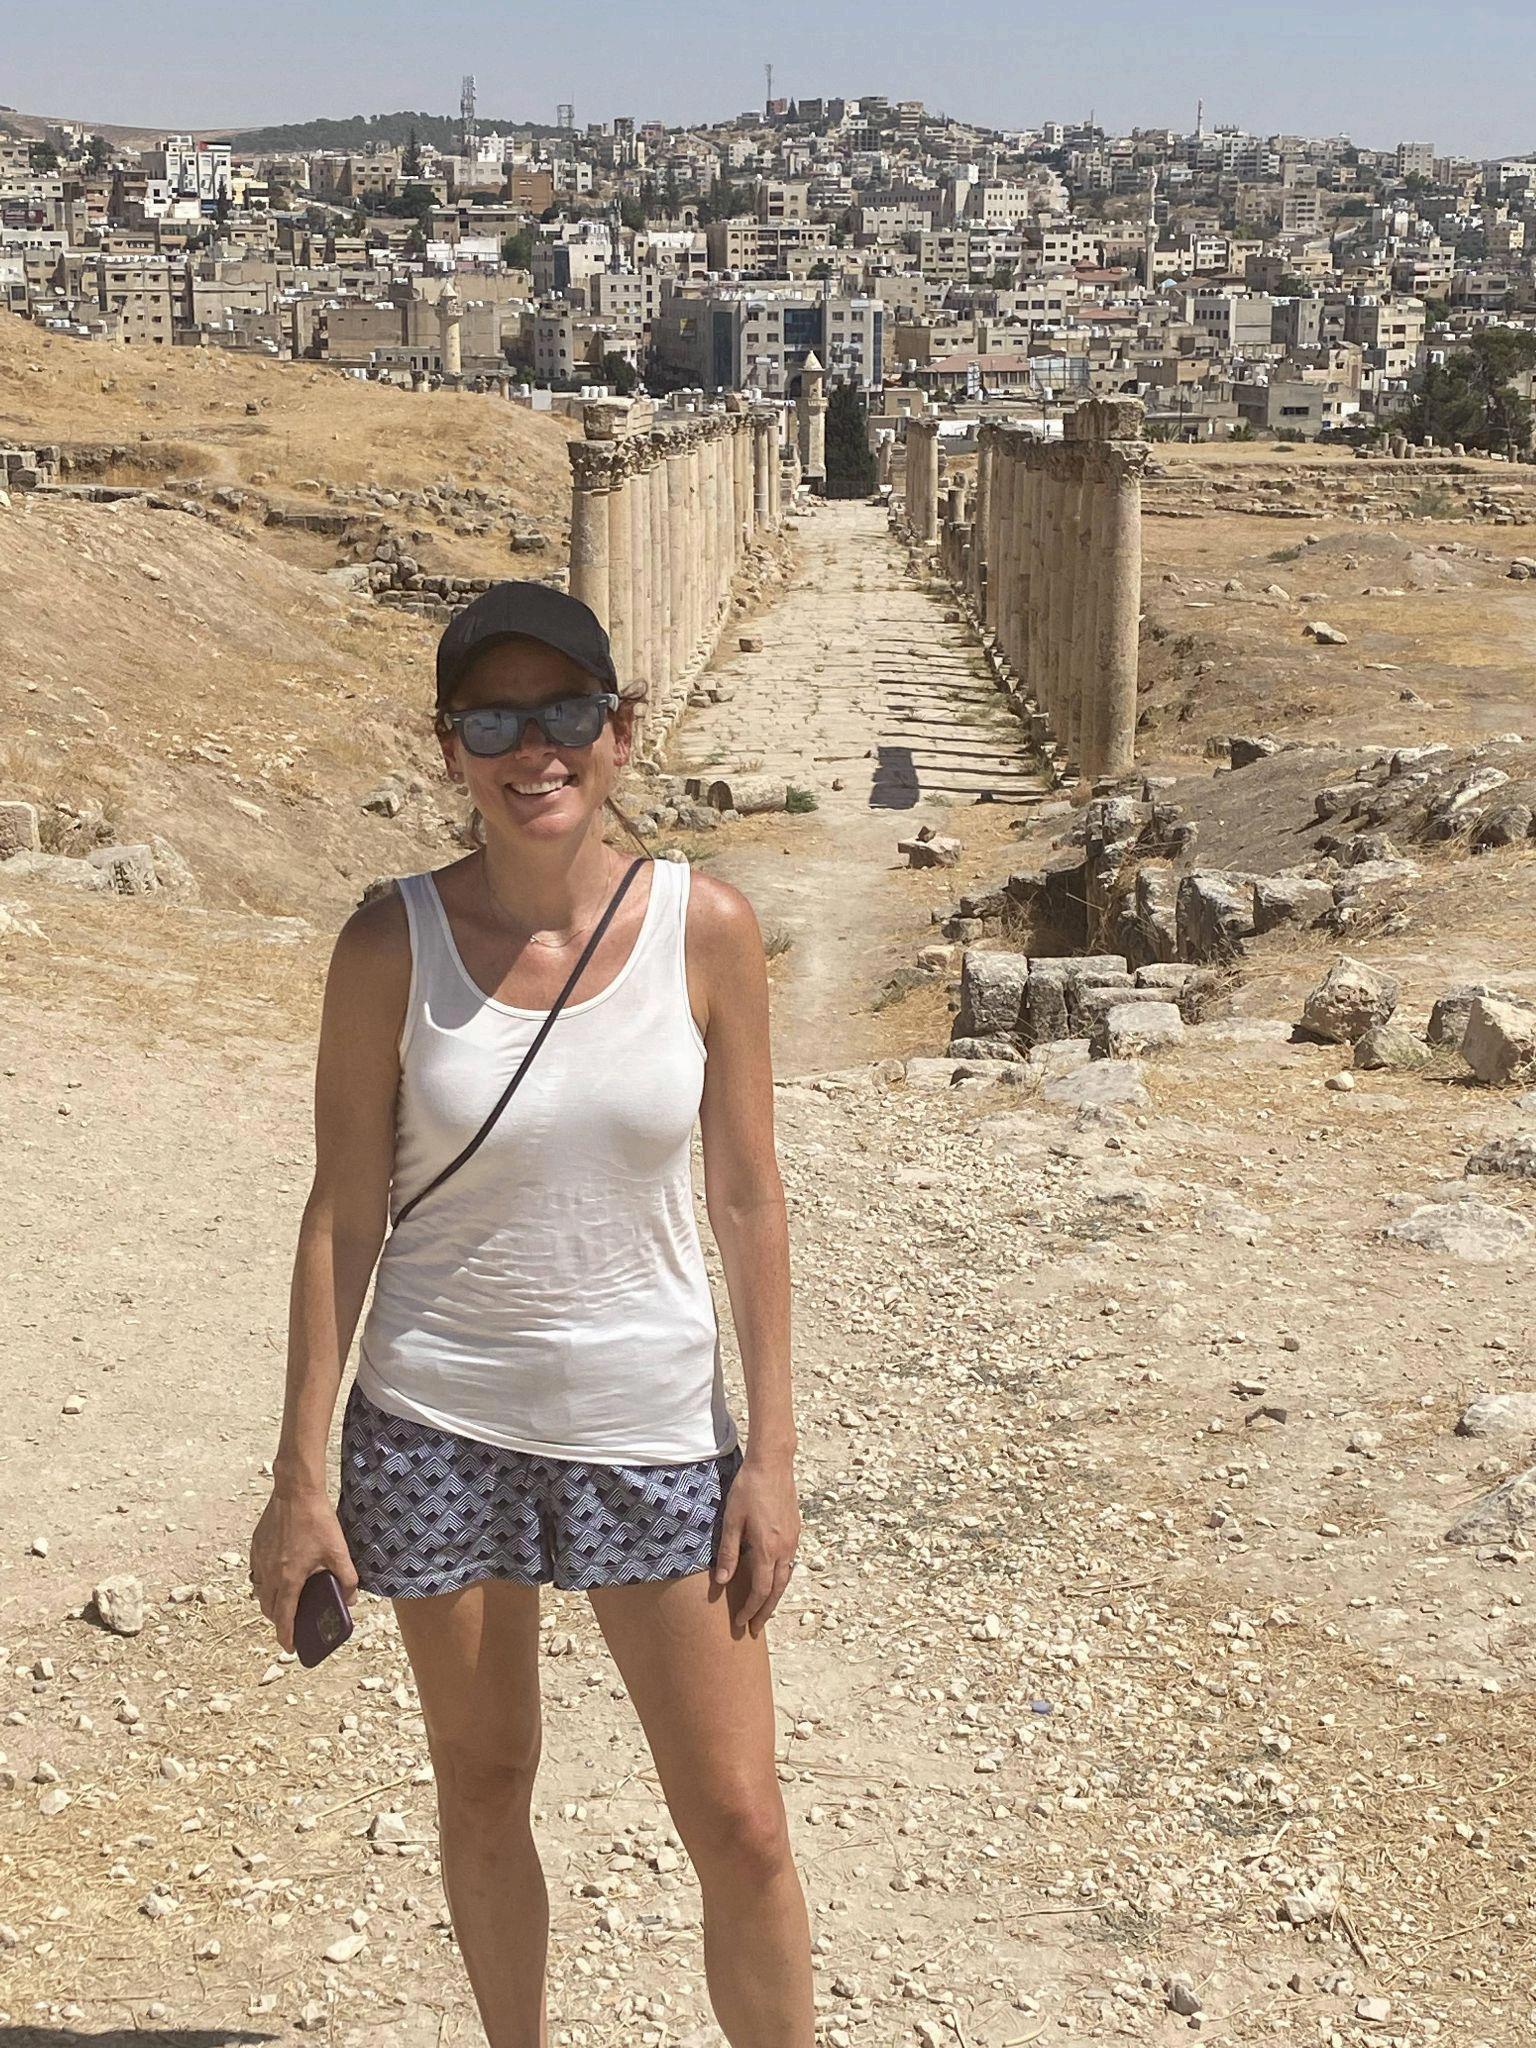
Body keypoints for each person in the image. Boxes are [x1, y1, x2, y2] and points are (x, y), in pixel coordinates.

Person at [249, 581, 812, 2046]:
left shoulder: (708, 929)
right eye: (492, 722)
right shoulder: (389, 945)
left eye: (564, 712)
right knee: (487, 1784)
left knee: (740, 1821)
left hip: (652, 1423)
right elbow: (343, 1213)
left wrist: (772, 1458)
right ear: (450, 749)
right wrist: (300, 1479)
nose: (533, 750)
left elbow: (750, 1198)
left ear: (620, 733)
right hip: (439, 1418)